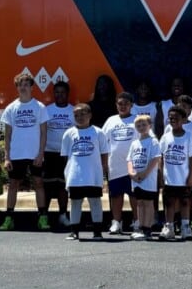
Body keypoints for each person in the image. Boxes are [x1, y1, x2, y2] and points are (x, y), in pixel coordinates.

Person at [0, 72, 48, 231]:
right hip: (16, 154)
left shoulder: (39, 107)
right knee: (13, 184)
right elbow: (7, 134)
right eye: (20, 85)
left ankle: (42, 217)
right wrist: (7, 157)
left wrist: (41, 154)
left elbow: (43, 133)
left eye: (26, 84)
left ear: (32, 87)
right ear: (17, 87)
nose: (23, 87)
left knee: (38, 183)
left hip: (34, 154)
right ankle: (9, 218)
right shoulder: (11, 108)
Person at [60, 103, 109, 241]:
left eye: (82, 114)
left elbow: (104, 153)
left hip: (93, 174)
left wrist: (104, 171)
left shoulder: (98, 132)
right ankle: (74, 231)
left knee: (95, 202)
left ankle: (97, 232)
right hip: (75, 176)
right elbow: (65, 156)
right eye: (76, 115)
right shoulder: (68, 134)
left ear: (90, 115)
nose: (79, 117)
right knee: (75, 202)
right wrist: (68, 173)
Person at [102, 92, 140, 235]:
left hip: (134, 165)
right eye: (120, 104)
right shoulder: (111, 121)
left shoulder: (137, 120)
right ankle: (116, 222)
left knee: (134, 196)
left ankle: (137, 222)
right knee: (116, 195)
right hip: (115, 165)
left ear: (131, 105)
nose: (123, 106)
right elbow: (103, 143)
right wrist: (104, 163)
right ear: (116, 105)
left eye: (126, 104)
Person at [158, 105, 192, 241]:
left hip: (184, 177)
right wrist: (161, 175)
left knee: (185, 202)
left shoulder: (189, 136)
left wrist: (191, 176)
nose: (173, 120)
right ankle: (169, 227)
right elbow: (161, 157)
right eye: (171, 118)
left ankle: (186, 226)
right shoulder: (165, 137)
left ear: (183, 119)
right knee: (169, 202)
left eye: (176, 118)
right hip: (169, 177)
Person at [42, 80, 75, 230]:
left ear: (67, 94)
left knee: (63, 186)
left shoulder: (73, 111)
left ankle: (63, 215)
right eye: (57, 92)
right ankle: (44, 216)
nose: (59, 95)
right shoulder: (47, 110)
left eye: (62, 92)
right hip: (49, 152)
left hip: (66, 154)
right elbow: (41, 132)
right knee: (47, 186)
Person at [127, 114, 162, 240]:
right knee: (139, 203)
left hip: (148, 178)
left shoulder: (153, 141)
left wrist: (145, 173)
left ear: (149, 126)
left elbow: (155, 158)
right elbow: (129, 159)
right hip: (136, 179)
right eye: (138, 125)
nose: (141, 127)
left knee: (148, 203)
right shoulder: (134, 143)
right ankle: (141, 227)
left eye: (143, 125)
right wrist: (131, 173)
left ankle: (147, 229)